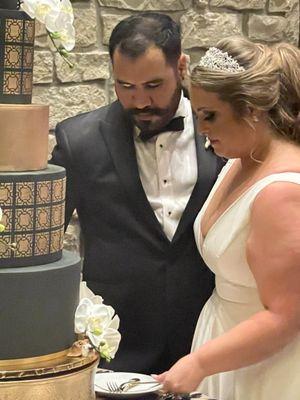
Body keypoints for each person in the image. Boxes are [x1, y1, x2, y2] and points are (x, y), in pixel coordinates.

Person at [50, 12, 224, 374]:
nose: (141, 101)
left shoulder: (223, 130)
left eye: (153, 85)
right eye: (125, 86)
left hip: (206, 340)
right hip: (117, 346)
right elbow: (46, 244)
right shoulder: (77, 141)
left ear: (182, 66)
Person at [154, 37, 300, 399]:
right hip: (225, 344)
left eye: (210, 115)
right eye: (198, 113)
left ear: (252, 110)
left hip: (267, 369)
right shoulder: (240, 160)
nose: (201, 129)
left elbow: (287, 317)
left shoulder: (280, 193)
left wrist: (201, 363)